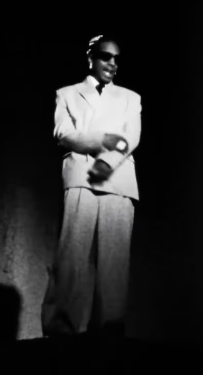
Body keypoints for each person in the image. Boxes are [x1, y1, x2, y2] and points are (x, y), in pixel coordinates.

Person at [41, 34, 142, 338]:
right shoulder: (67, 94)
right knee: (71, 256)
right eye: (105, 56)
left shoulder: (130, 97)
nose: (112, 63)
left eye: (117, 59)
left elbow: (130, 138)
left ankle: (110, 328)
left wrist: (107, 162)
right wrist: (103, 139)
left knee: (114, 261)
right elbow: (64, 133)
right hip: (81, 177)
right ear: (90, 58)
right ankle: (61, 326)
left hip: (119, 179)